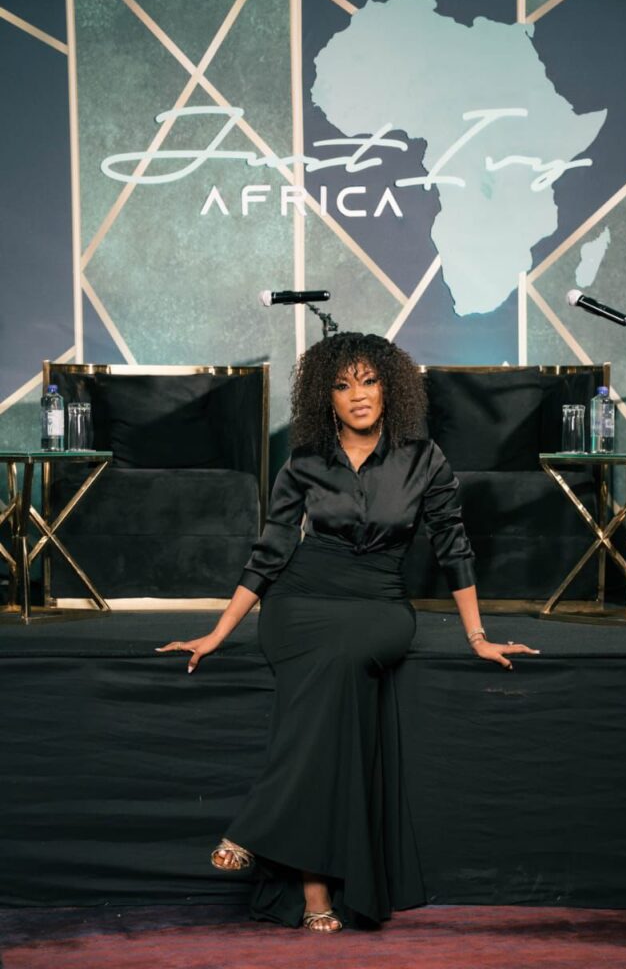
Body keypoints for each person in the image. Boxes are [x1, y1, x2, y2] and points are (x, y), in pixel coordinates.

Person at [156, 332, 539, 934]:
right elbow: (270, 551)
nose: (358, 395)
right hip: (299, 600)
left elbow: (453, 547)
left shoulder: (424, 458)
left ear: (390, 388)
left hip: (379, 605)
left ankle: (256, 828)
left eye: (369, 381)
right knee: (329, 699)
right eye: (342, 385)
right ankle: (316, 892)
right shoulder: (305, 460)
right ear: (324, 397)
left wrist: (477, 637)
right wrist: (217, 632)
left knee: (334, 669)